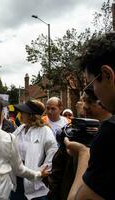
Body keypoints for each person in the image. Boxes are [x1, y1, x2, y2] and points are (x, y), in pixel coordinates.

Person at [65, 32, 115, 199]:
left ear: (107, 75)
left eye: (91, 83)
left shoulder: (110, 133)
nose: (93, 92)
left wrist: (84, 154)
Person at [47, 86, 112, 200]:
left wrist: (83, 154)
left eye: (90, 102)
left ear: (104, 102)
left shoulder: (109, 135)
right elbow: (57, 172)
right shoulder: (72, 133)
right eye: (83, 101)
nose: (84, 106)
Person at [10, 100, 58, 200]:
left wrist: (42, 171)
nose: (20, 114)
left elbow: (53, 152)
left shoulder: (44, 130)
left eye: (23, 112)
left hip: (36, 182)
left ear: (31, 115)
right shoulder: (20, 129)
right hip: (16, 179)